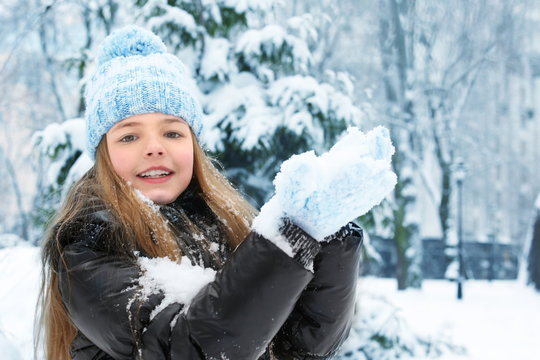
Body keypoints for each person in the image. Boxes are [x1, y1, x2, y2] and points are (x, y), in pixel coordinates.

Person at [39, 26, 396, 360]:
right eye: (129, 136)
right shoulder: (86, 245)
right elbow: (182, 347)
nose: (154, 148)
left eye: (173, 133)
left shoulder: (227, 224)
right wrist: (292, 234)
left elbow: (297, 348)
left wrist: (328, 237)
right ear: (103, 154)